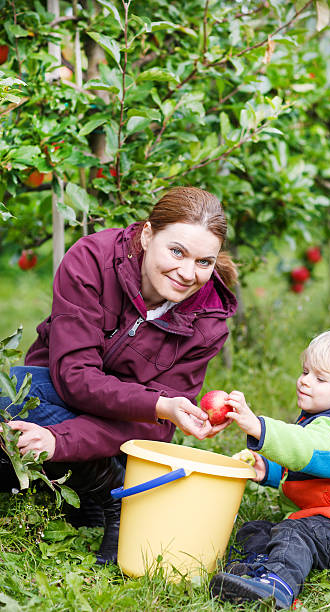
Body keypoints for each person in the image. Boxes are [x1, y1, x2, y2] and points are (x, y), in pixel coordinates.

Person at [0, 186, 237, 564]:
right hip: (58, 395)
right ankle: (101, 492)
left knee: (18, 414)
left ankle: (113, 496)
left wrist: (60, 440)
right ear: (147, 235)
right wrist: (157, 405)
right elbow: (74, 376)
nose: (187, 273)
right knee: (9, 400)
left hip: (124, 436)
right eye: (176, 251)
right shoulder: (92, 260)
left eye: (204, 262)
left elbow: (154, 425)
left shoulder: (207, 321)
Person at [209, 328, 330, 610]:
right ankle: (249, 573)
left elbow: (307, 448)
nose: (305, 381)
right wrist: (271, 471)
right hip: (325, 519)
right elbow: (313, 469)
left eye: (320, 378)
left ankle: (276, 585)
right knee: (256, 530)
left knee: (293, 534)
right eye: (305, 372)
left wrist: (259, 427)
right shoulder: (324, 419)